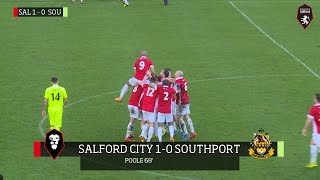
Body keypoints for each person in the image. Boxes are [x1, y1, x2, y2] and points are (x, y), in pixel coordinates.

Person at [175, 71, 197, 139]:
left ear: (178, 75)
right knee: (187, 116)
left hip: (180, 101)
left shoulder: (177, 82)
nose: (174, 74)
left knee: (178, 117)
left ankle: (186, 133)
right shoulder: (184, 80)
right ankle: (193, 131)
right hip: (186, 100)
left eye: (175, 73)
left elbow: (177, 90)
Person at [302, 94, 320, 168]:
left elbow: (309, 120)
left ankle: (313, 162)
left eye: (314, 98)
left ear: (316, 99)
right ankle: (313, 162)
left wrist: (304, 129)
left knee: (315, 145)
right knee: (313, 143)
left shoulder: (314, 108)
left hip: (318, 132)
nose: (313, 99)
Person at [139, 76, 158, 142]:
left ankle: (142, 134)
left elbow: (141, 82)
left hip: (144, 108)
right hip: (151, 108)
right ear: (156, 81)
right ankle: (148, 140)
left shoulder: (146, 86)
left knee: (147, 123)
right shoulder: (156, 88)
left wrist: (145, 78)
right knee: (151, 125)